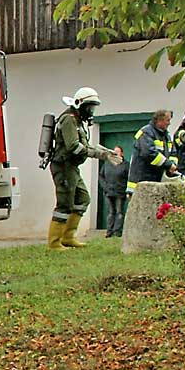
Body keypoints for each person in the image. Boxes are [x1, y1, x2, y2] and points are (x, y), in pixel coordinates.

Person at [46, 87, 123, 249]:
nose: (91, 111)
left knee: (82, 199)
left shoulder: (78, 121)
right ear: (79, 104)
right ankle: (54, 243)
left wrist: (104, 151)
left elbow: (85, 145)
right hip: (64, 167)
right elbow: (73, 147)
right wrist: (100, 155)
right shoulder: (68, 119)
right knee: (65, 204)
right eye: (89, 107)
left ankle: (68, 237)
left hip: (72, 167)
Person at [128, 110, 181, 196]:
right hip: (141, 182)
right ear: (159, 120)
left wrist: (173, 165)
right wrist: (168, 165)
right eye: (167, 120)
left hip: (156, 183)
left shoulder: (166, 136)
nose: (169, 123)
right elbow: (148, 153)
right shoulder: (145, 132)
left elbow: (173, 153)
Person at [98, 144, 129, 237]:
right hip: (108, 192)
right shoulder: (107, 163)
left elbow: (129, 178)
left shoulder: (126, 165)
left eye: (118, 151)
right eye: (114, 151)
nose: (116, 153)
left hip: (120, 192)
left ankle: (117, 232)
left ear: (121, 153)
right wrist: (105, 186)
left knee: (119, 212)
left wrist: (126, 189)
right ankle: (109, 231)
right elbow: (101, 176)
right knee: (111, 212)